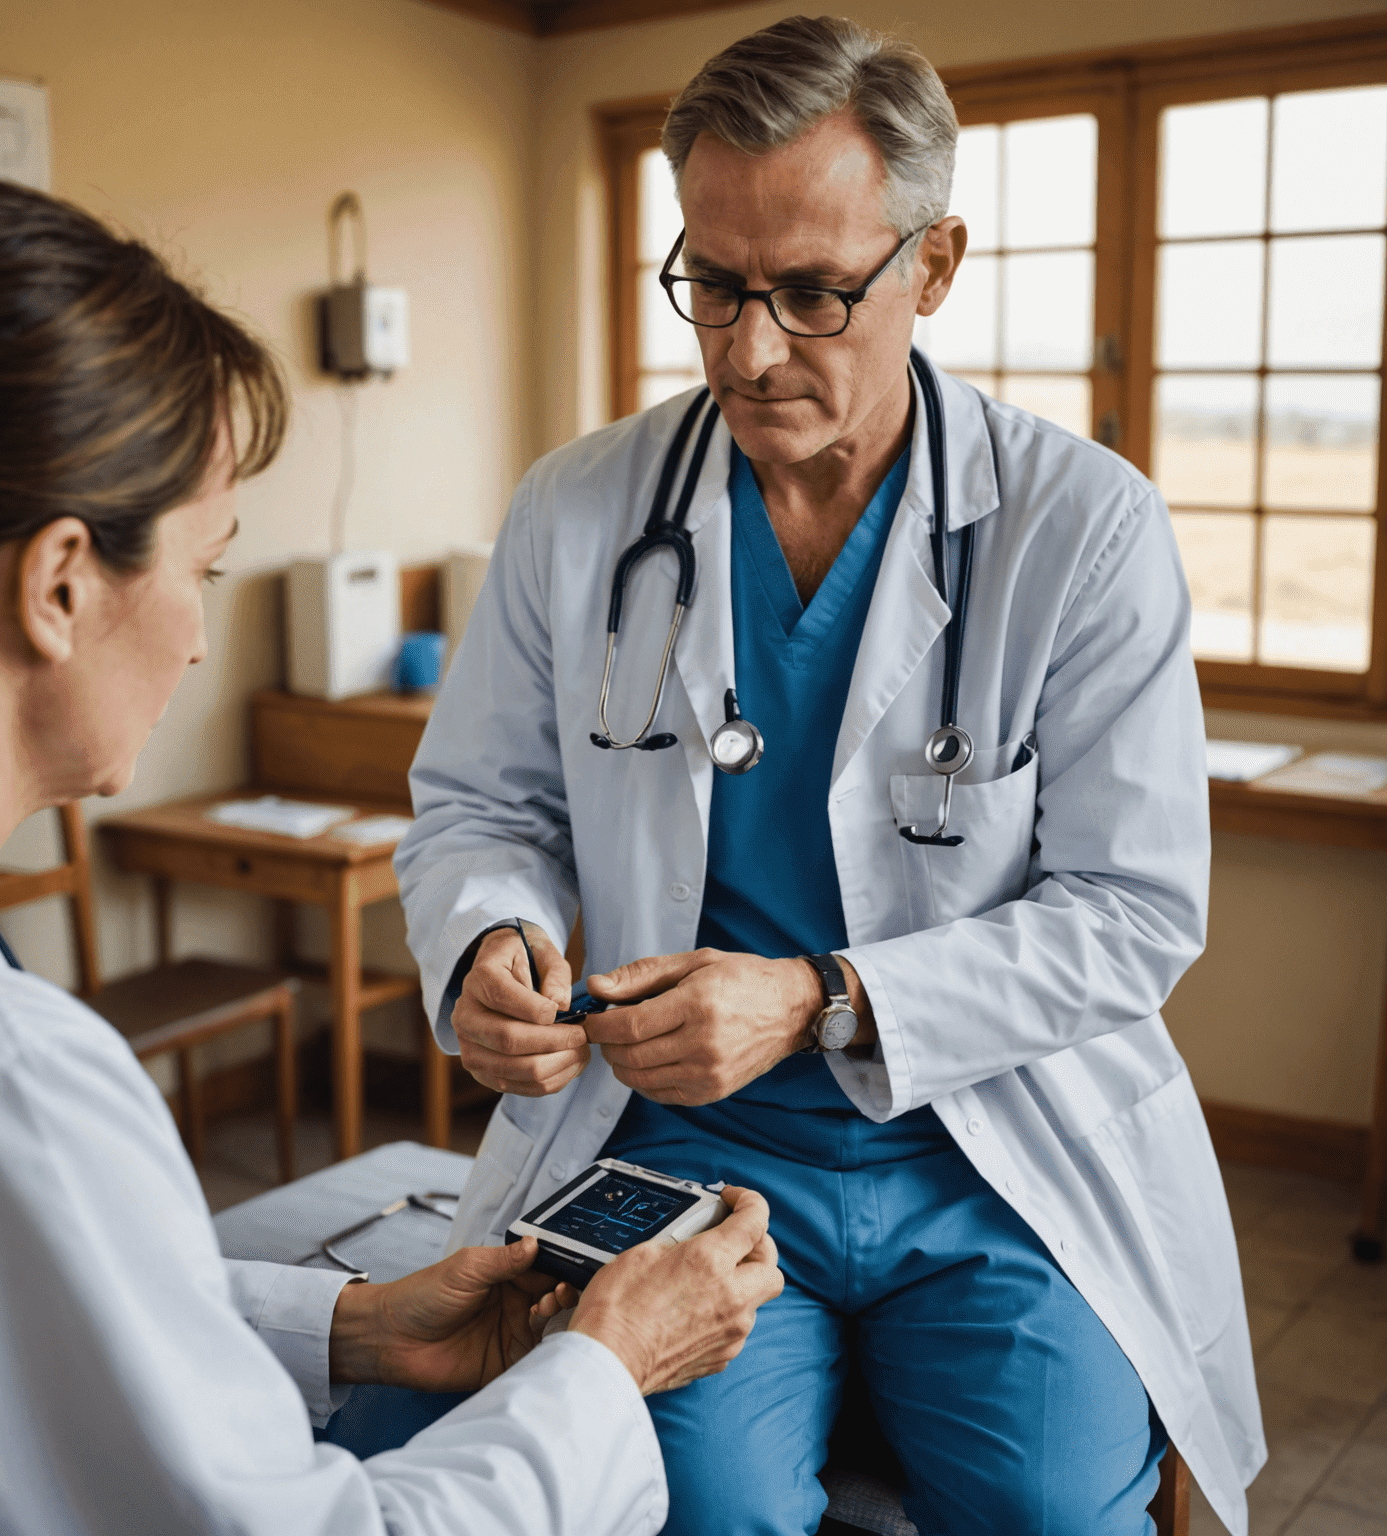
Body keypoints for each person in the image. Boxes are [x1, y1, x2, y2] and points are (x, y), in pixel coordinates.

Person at [395, 16, 1265, 1536]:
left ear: (932, 267)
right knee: (699, 1512)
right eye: (714, 286)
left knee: (1057, 1517)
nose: (748, 349)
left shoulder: (1086, 528)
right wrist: (487, 941)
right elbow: (484, 804)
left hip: (996, 1145)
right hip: (687, 1150)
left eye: (811, 292)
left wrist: (818, 998)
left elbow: (1133, 913)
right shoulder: (581, 508)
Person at [0, 174, 784, 1536]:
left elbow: (21, 1300)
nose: (198, 642)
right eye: (206, 572)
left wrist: (347, 1323)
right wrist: (609, 1362)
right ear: (58, 587)